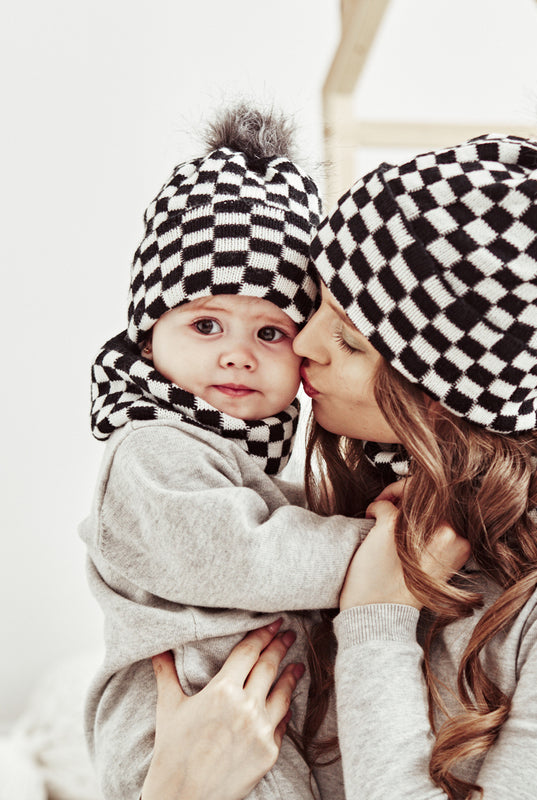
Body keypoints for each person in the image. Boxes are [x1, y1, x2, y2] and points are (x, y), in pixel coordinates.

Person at [141, 96, 537, 800]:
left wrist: (377, 624)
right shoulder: (363, 507)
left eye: (348, 339)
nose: (304, 344)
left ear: (447, 395)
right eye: (315, 304)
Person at [79, 105, 381, 800]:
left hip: (252, 704)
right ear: (148, 338)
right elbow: (243, 554)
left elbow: (266, 523)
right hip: (172, 720)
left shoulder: (236, 452)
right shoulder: (149, 450)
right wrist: (379, 548)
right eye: (206, 323)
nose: (238, 355)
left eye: (271, 333)